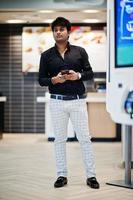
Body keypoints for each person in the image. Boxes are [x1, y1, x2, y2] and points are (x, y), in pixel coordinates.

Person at [38, 17, 100, 189]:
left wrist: (77, 76)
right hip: (57, 102)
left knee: (85, 139)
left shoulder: (80, 52)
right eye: (55, 29)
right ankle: (61, 175)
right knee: (59, 140)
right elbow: (41, 80)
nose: (58, 32)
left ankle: (91, 176)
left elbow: (90, 73)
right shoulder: (46, 55)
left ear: (68, 31)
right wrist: (54, 80)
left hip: (78, 102)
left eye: (61, 29)